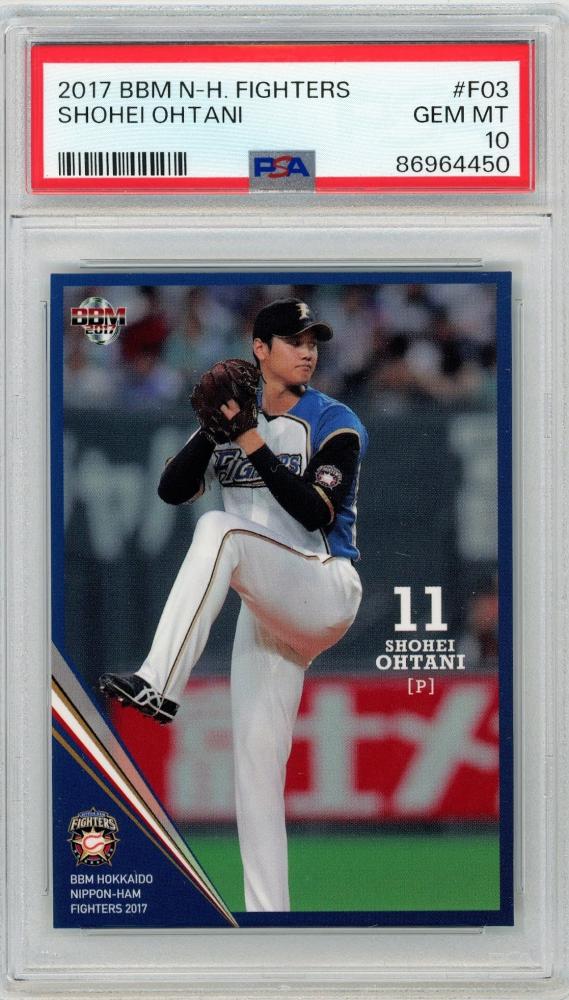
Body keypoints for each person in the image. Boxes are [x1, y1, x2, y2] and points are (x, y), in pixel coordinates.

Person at [99, 297, 368, 912]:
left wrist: (246, 437)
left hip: (323, 585)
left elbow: (314, 511)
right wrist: (212, 431)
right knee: (255, 763)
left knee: (219, 529)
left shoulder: (335, 420)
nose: (308, 351)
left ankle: (159, 682)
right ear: (260, 348)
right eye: (295, 340)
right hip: (267, 608)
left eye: (313, 341)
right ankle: (270, 919)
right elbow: (171, 490)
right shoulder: (230, 418)